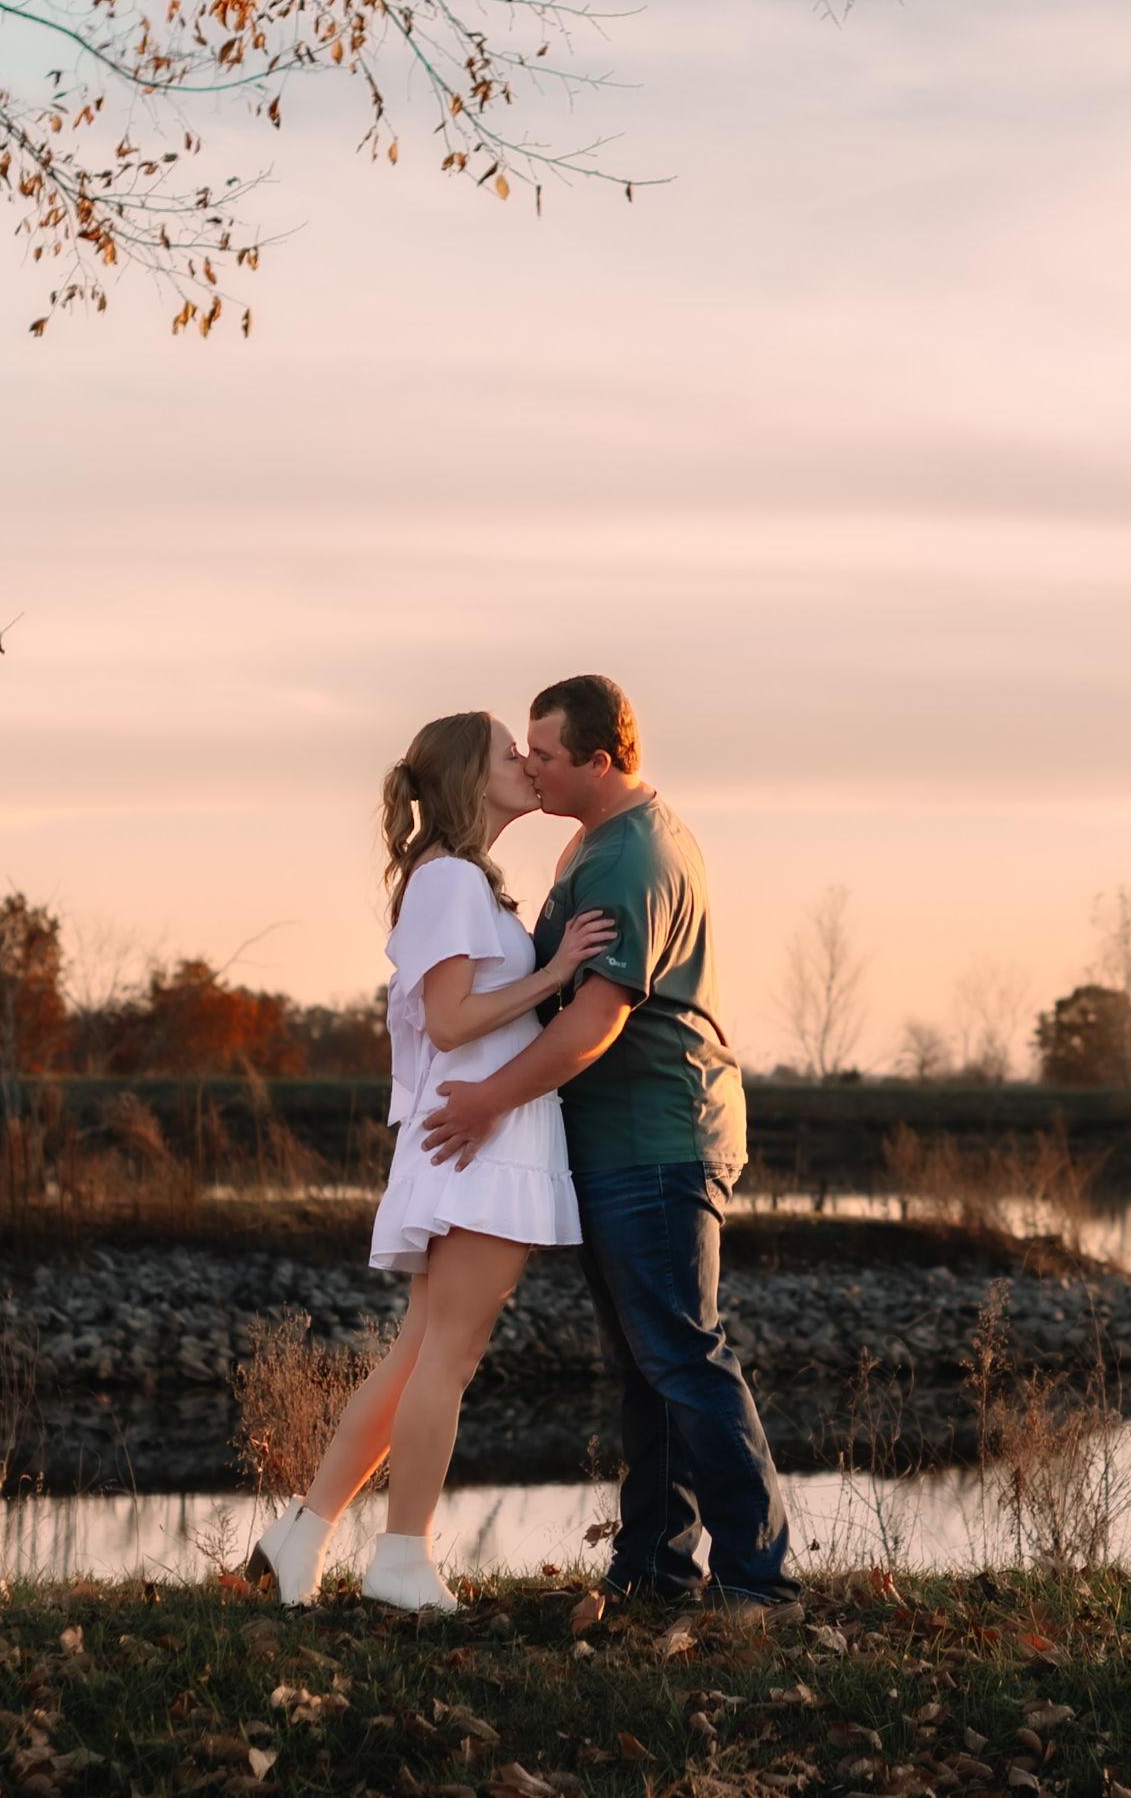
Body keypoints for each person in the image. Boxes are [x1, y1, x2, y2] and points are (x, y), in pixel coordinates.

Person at [420, 675, 802, 1627]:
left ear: (599, 760)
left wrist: (488, 1104)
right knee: (647, 1363)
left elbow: (595, 1019)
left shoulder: (635, 856)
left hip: (659, 1140)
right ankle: (655, 1568)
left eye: (544, 754)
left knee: (682, 1353)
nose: (529, 766)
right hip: (614, 1143)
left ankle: (761, 1578)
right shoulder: (589, 839)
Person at [244, 711, 616, 1612]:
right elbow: (450, 1019)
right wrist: (557, 970)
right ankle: (401, 1560)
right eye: (506, 753)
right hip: (478, 1139)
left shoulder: (459, 882)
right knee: (449, 1355)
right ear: (466, 779)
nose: (527, 763)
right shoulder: (448, 878)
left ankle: (305, 1533)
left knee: (419, 1355)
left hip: (475, 1134)